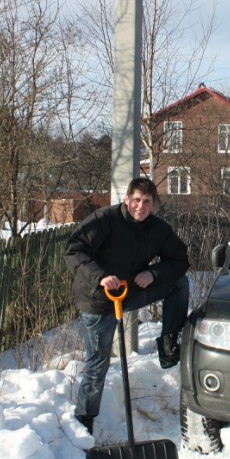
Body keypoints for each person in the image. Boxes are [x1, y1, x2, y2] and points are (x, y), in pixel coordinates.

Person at [64, 176, 190, 436]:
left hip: (130, 292)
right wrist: (100, 276)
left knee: (179, 283)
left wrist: (154, 274)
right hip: (99, 299)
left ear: (153, 204)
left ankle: (168, 343)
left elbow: (179, 259)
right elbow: (74, 250)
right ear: (126, 200)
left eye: (146, 202)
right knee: (98, 363)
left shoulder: (157, 229)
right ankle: (84, 420)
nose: (140, 207)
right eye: (136, 200)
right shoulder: (105, 220)